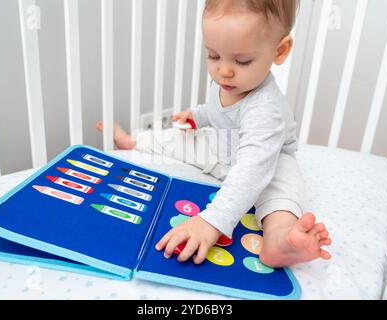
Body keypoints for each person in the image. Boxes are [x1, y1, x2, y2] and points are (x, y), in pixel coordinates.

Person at [98, 0, 331, 268]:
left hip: (268, 162)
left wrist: (213, 220)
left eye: (242, 60)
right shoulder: (227, 78)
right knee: (180, 138)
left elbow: (252, 170)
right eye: (213, 56)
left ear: (279, 50)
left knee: (281, 193)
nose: (224, 70)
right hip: (222, 146)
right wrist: (197, 116)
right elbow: (216, 110)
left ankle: (280, 241)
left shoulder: (266, 109)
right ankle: (135, 140)